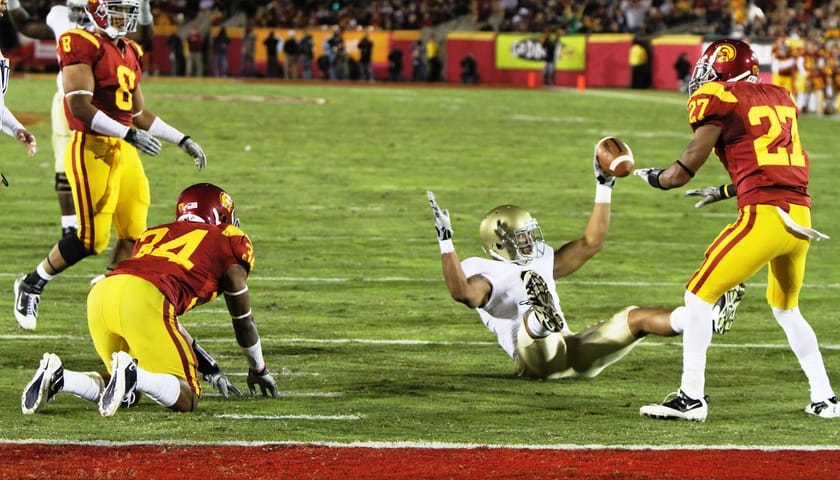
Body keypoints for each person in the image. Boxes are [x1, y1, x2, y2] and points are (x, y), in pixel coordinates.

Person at [634, 39, 839, 420]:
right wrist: (727, 189)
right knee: (787, 309)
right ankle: (824, 398)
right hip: (800, 218)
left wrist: (657, 179)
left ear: (723, 68)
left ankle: (691, 397)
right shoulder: (779, 95)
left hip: (766, 216)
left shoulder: (719, 97)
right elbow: (773, 161)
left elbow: (684, 169)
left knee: (697, 295)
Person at [425, 146, 744, 381]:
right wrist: (445, 241)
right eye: (521, 237)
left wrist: (603, 186)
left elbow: (592, 243)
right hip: (533, 361)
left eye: (528, 233)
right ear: (500, 244)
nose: (530, 241)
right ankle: (539, 317)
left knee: (636, 318)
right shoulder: (485, 271)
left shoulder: (541, 258)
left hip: (571, 351)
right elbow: (462, 293)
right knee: (531, 323)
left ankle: (702, 318)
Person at [13, 0, 208, 332]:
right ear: (98, 10)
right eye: (118, 9)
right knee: (91, 239)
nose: (126, 16)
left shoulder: (129, 49)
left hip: (123, 147)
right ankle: (31, 283)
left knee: (135, 232)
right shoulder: (79, 42)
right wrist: (129, 134)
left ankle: (108, 293)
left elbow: (137, 112)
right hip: (91, 147)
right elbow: (79, 107)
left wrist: (182, 139)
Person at [21, 183, 279, 417]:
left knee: (125, 392)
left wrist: (210, 368)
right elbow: (244, 321)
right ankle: (133, 375)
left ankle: (59, 378)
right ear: (220, 216)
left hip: (102, 294)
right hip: (145, 297)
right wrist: (258, 369)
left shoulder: (154, 234)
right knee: (186, 397)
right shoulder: (228, 240)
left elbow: (166, 320)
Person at [7, 0, 152, 237]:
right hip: (67, 100)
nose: (78, 16)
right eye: (75, 10)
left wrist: (144, 7)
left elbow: (142, 37)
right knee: (63, 166)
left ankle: (113, 222)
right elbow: (25, 25)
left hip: (106, 103)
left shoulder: (111, 26)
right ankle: (70, 226)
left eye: (83, 10)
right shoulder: (60, 17)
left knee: (114, 164)